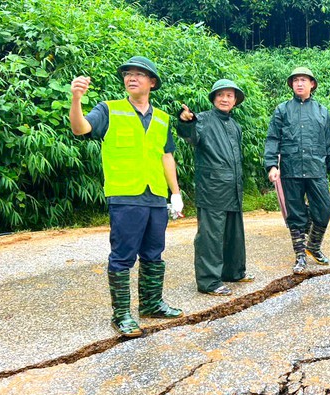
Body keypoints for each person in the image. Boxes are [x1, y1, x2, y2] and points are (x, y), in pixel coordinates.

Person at [69, 56, 184, 338]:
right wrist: (76, 99)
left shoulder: (162, 118)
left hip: (156, 195)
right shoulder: (109, 110)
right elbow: (80, 128)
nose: (131, 78)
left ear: (152, 83)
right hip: (125, 194)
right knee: (122, 256)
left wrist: (176, 193)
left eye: (139, 74)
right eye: (128, 74)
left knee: (153, 253)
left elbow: (166, 156)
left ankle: (151, 303)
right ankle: (121, 314)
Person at [177, 79, 254, 296]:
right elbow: (189, 135)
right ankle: (209, 282)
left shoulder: (235, 125)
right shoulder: (202, 119)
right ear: (213, 99)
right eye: (220, 95)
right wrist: (186, 121)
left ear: (235, 101)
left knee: (234, 233)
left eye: (230, 95)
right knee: (210, 236)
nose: (225, 99)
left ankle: (234, 272)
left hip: (233, 188)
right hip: (212, 189)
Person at [264, 67, 330, 274]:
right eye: (296, 80)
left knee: (324, 210)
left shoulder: (322, 112)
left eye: (304, 80)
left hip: (316, 169)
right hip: (290, 169)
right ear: (291, 85)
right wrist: (272, 165)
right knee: (296, 214)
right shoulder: (282, 110)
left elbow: (329, 143)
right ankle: (300, 256)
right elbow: (273, 139)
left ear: (312, 84)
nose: (299, 83)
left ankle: (314, 246)